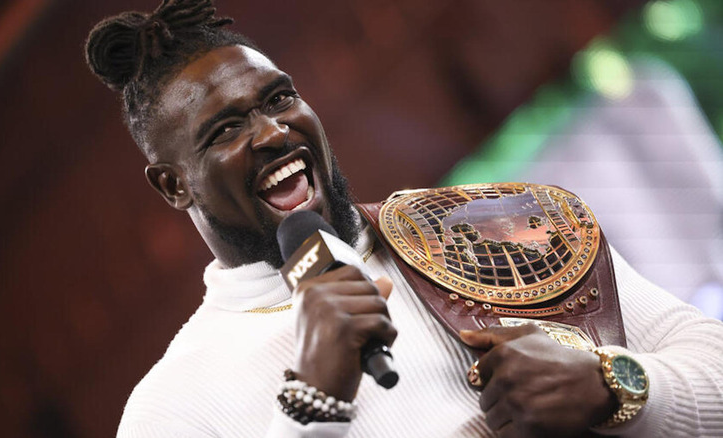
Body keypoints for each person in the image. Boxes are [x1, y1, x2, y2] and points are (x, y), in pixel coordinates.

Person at [85, 1, 723, 437]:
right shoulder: (172, 405)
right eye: (226, 129)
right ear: (173, 186)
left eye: (279, 99)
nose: (274, 133)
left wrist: (612, 388)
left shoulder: (485, 222)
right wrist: (314, 404)